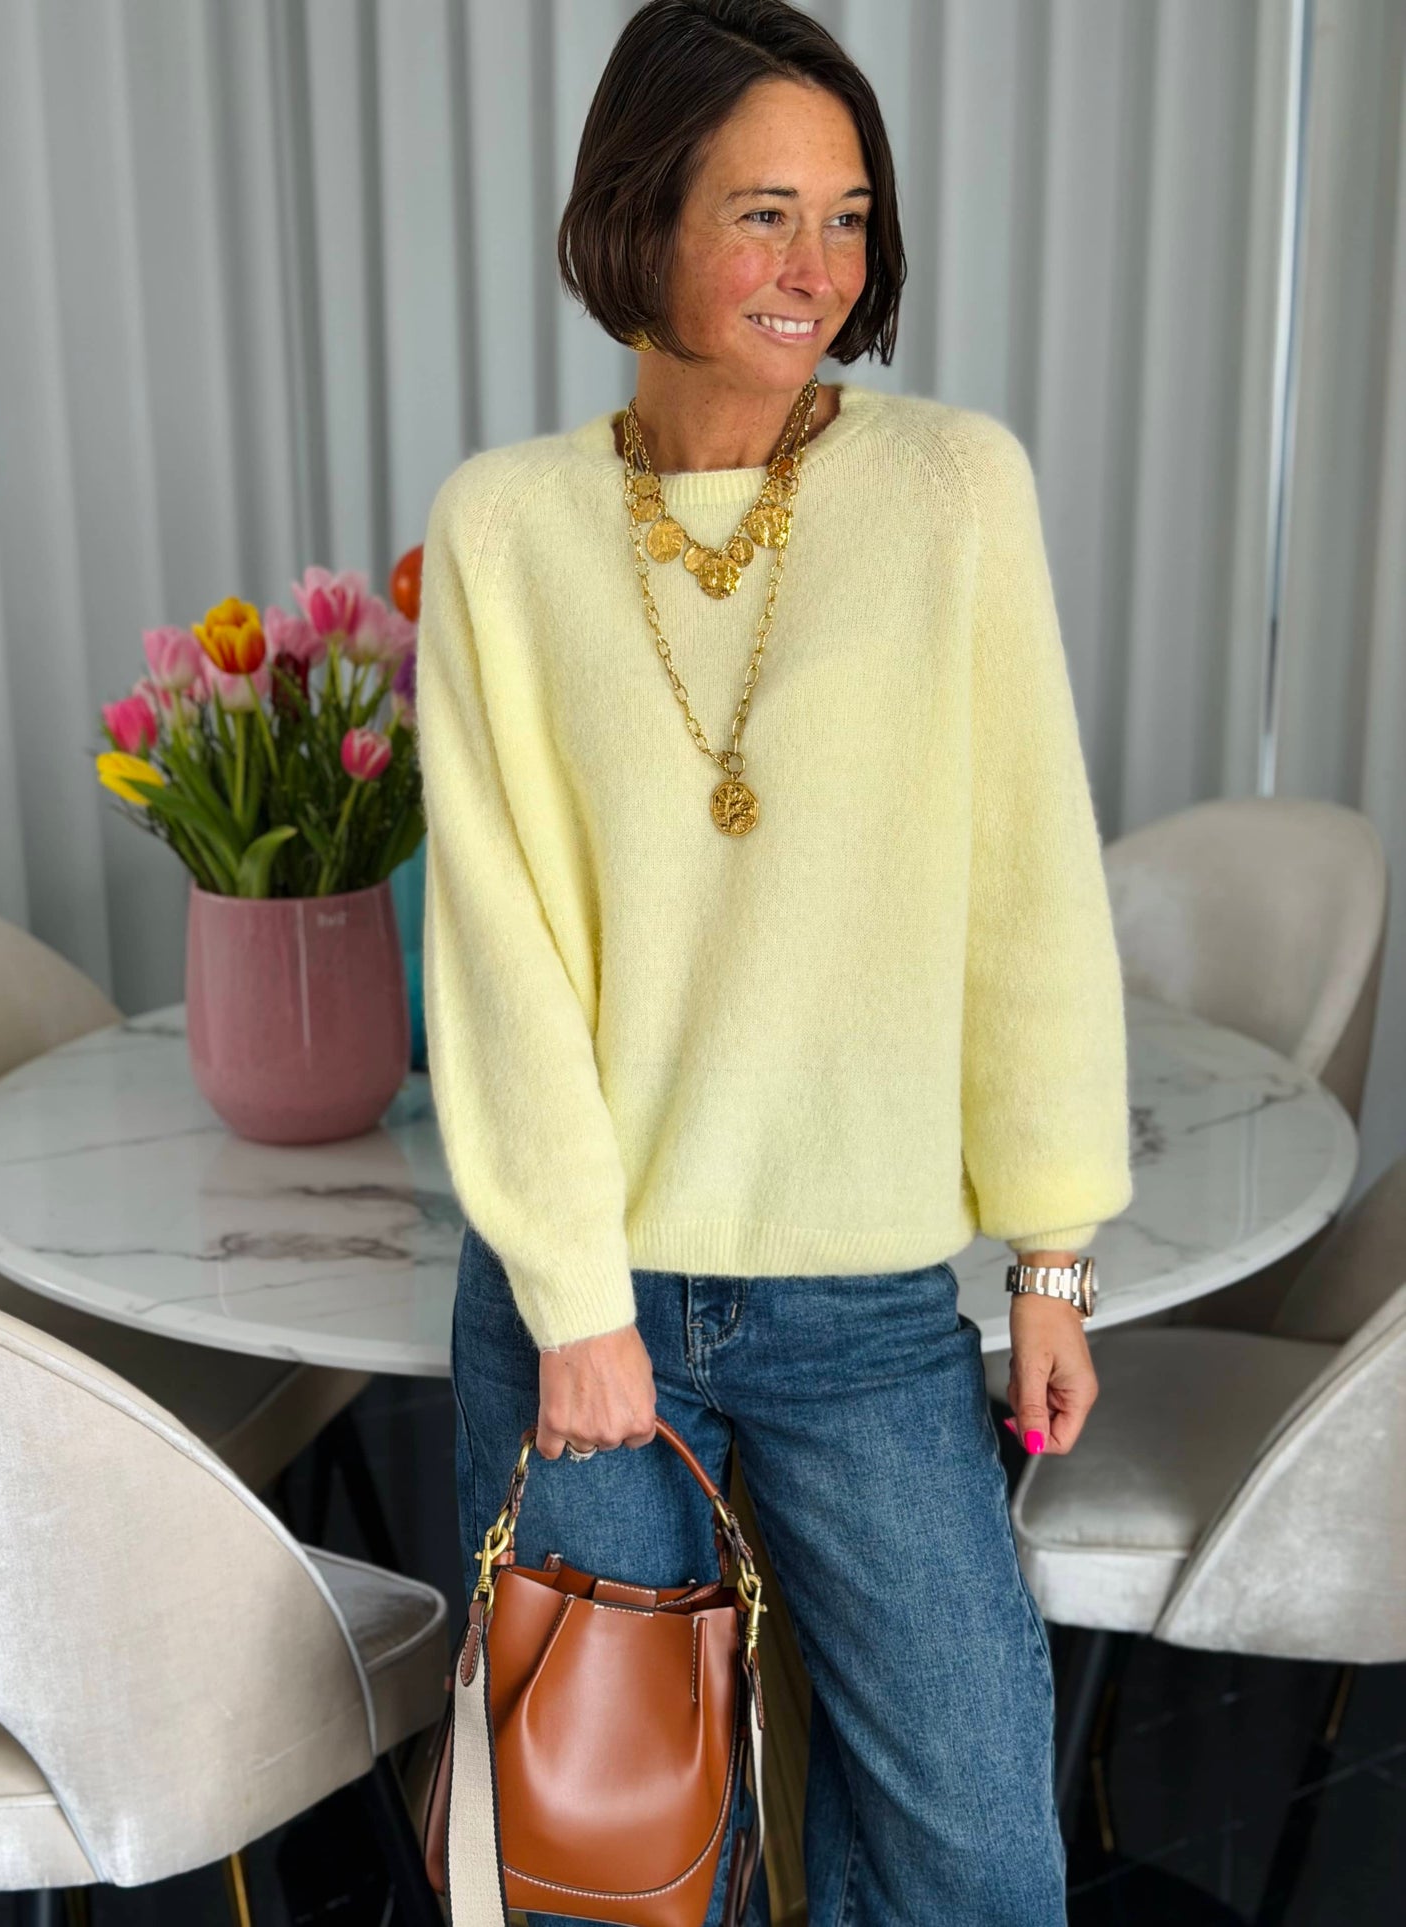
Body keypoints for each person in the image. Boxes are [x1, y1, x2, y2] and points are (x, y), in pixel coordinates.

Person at [415, 3, 1132, 1921]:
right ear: (638, 217)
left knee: (977, 1857)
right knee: (616, 1866)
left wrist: (1050, 1252)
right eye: (761, 214)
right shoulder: (505, 528)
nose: (816, 267)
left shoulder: (950, 489)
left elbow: (1027, 890)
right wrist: (577, 1301)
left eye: (847, 217)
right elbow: (500, 944)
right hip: (586, 1307)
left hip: (864, 1306)